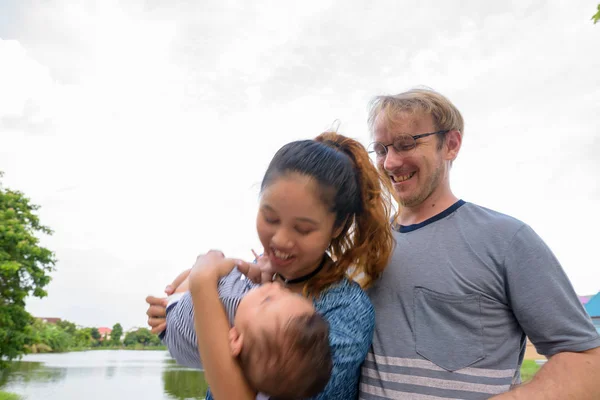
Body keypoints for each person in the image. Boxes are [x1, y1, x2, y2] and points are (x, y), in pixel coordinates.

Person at [359, 88, 600, 399]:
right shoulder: (366, 246)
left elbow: (587, 363)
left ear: (452, 144)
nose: (390, 162)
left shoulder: (506, 240)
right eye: (380, 149)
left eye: (406, 144)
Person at [146, 131, 396, 399]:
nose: (280, 240)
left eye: (302, 229)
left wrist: (202, 285)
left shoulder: (346, 309)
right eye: (270, 217)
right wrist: (177, 306)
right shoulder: (255, 273)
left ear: (337, 226)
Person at [162, 255, 333, 399]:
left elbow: (204, 273)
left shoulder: (228, 302)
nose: (275, 286)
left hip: (175, 312)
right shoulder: (269, 376)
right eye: (286, 293)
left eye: (267, 300)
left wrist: (219, 262)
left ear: (234, 338)